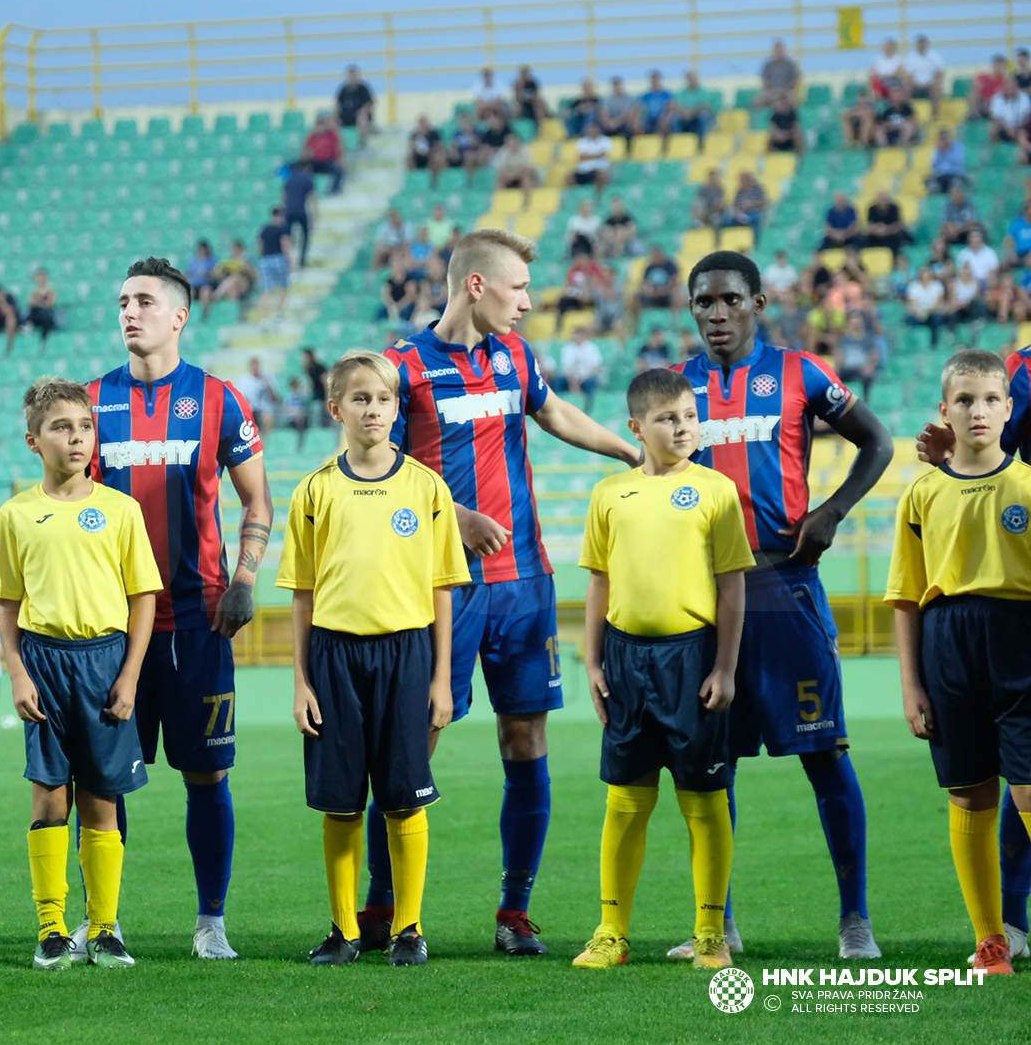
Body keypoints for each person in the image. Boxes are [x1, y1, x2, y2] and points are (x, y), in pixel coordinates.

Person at [382, 228, 642, 957]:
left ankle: (515, 911)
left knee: (526, 739)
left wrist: (628, 449)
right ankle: (385, 906)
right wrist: (453, 515)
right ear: (475, 285)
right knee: (415, 744)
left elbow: (552, 410)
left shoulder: (516, 356)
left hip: (525, 582)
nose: (528, 302)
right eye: (518, 288)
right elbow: (380, 460)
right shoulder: (402, 366)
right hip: (443, 587)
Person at [671, 250, 894, 960]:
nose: (715, 314)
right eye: (703, 302)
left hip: (788, 589)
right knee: (713, 766)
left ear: (758, 303)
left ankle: (855, 921)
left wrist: (832, 509)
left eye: (730, 300)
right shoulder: (678, 389)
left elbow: (878, 441)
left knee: (825, 754)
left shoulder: (799, 372)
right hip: (706, 599)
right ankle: (718, 924)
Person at [85, 257, 274, 960]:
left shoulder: (219, 400)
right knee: (104, 779)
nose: (128, 311)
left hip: (198, 622)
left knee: (206, 776)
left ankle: (211, 921)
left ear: (178, 315)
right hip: (110, 627)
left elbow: (257, 498)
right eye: (122, 300)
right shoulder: (89, 401)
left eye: (142, 300)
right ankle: (104, 919)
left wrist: (246, 577)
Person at [279, 349, 468, 968]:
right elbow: (303, 594)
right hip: (334, 658)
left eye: (384, 399)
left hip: (408, 654)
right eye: (360, 399)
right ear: (336, 408)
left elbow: (442, 587)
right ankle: (344, 930)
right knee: (340, 799)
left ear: (397, 409)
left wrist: (441, 679)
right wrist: (302, 680)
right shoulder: (314, 491)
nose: (374, 409)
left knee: (404, 797)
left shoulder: (426, 487)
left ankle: (409, 928)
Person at [572, 368, 754, 971]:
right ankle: (611, 931)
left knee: (705, 800)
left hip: (693, 657)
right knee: (625, 801)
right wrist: (592, 658)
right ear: (636, 428)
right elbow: (599, 582)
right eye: (668, 419)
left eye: (689, 416)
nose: (683, 428)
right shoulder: (609, 494)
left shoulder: (715, 490)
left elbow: (732, 589)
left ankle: (709, 934)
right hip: (625, 661)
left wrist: (725, 668)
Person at [0, 378, 161, 972]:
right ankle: (52, 928)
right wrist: (17, 673)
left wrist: (131, 675)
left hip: (105, 661)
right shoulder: (16, 514)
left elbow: (143, 599)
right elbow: (6, 603)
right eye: (61, 428)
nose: (76, 438)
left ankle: (105, 929)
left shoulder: (120, 509)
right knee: (49, 795)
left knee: (102, 801)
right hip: (43, 661)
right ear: (34, 440)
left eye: (84, 427)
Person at [889, 348, 1031, 976]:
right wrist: (910, 686)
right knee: (970, 796)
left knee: (1028, 791)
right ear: (944, 411)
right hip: (947, 644)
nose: (978, 411)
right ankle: (990, 940)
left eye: (991, 399)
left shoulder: (1027, 485)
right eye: (965, 400)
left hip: (1020, 640)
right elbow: (905, 598)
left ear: (1009, 409)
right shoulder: (921, 494)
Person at [836, 311, 887, 401]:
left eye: (857, 318)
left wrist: (870, 365)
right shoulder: (844, 339)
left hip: (862, 369)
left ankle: (866, 401)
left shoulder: (868, 339)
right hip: (847, 369)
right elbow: (839, 356)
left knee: (867, 376)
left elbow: (875, 356)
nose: (855, 321)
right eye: (853, 318)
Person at [257, 207, 293, 315]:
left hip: (265, 260)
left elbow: (260, 246)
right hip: (278, 259)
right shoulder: (282, 228)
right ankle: (279, 312)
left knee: (267, 291)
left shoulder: (264, 229)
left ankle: (264, 317)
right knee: (285, 288)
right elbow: (285, 244)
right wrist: (290, 262)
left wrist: (263, 257)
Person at [283, 160, 318, 268]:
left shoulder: (289, 179)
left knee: (287, 236)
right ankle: (302, 260)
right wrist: (315, 216)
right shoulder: (307, 180)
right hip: (301, 211)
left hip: (289, 211)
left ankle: (288, 259)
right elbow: (312, 199)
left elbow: (284, 197)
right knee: (305, 236)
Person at [561, 326, 603, 413]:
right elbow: (567, 367)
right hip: (573, 377)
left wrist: (583, 377)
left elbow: (595, 367)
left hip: (588, 376)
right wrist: (575, 378)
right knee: (558, 380)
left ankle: (588, 406)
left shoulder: (592, 348)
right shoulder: (568, 348)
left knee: (590, 382)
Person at [209, 242, 256, 318]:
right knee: (233, 290)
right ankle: (230, 316)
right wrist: (220, 268)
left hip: (245, 285)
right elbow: (214, 276)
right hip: (233, 286)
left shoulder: (248, 260)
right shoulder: (229, 261)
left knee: (235, 277)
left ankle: (216, 295)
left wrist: (246, 266)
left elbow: (256, 277)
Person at [906, 264, 948, 347]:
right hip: (918, 313)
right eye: (923, 277)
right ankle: (914, 345)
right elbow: (912, 304)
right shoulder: (913, 286)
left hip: (932, 312)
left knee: (937, 317)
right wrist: (919, 313)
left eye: (928, 277)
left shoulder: (937, 286)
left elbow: (940, 303)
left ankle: (934, 343)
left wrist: (929, 311)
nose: (925, 280)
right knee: (909, 320)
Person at [237, 356, 280, 437]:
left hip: (265, 410)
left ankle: (265, 442)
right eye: (252, 365)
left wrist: (269, 387)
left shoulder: (268, 378)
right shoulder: (243, 381)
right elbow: (240, 400)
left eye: (256, 365)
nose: (255, 368)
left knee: (267, 417)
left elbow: (276, 398)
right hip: (250, 410)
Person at [303, 113, 346, 193]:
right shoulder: (313, 136)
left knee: (339, 170)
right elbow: (306, 150)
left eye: (323, 123)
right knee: (300, 168)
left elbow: (339, 148)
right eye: (319, 123)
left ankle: (334, 191)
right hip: (315, 161)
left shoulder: (332, 135)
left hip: (328, 162)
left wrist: (339, 160)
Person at [635, 246, 681, 318]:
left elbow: (675, 281)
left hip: (667, 293)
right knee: (637, 296)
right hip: (653, 294)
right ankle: (642, 320)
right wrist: (649, 291)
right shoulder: (649, 268)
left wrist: (664, 290)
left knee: (677, 295)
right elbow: (644, 283)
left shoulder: (670, 266)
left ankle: (675, 319)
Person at [865, 190, 915, 255]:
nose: (882, 201)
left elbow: (898, 224)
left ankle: (896, 256)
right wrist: (877, 230)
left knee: (898, 237)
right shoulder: (872, 208)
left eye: (884, 199)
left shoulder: (894, 208)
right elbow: (869, 225)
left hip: (891, 232)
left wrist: (886, 230)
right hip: (877, 234)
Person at [492, 133, 537, 204]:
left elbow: (529, 168)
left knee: (526, 179)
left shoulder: (526, 150)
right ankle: (499, 203)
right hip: (510, 177)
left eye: (514, 143)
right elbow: (500, 169)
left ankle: (526, 202)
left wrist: (514, 176)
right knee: (500, 179)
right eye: (510, 144)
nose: (513, 146)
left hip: (522, 176)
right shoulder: (503, 152)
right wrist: (508, 176)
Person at [336, 66, 375, 145]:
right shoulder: (344, 89)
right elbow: (338, 103)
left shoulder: (363, 88)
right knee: (333, 119)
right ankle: (337, 143)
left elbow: (369, 103)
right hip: (346, 115)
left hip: (359, 115)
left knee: (362, 117)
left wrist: (363, 110)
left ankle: (362, 141)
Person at [726, 172, 770, 242]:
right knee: (728, 220)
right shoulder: (739, 191)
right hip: (742, 213)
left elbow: (763, 202)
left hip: (755, 211)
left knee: (757, 219)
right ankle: (733, 241)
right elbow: (735, 205)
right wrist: (738, 213)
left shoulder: (758, 189)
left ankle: (756, 241)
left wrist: (751, 204)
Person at [406, 117, 447, 189]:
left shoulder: (434, 134)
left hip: (431, 154)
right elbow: (413, 148)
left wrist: (429, 152)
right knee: (409, 158)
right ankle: (415, 180)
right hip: (419, 156)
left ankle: (434, 182)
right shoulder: (415, 135)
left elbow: (439, 146)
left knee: (437, 158)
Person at [573, 120, 613, 194]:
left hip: (599, 168)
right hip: (585, 169)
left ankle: (599, 197)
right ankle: (578, 195)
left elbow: (603, 155)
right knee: (570, 177)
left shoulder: (606, 140)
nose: (590, 130)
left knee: (602, 175)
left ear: (597, 129)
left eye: (592, 128)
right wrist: (596, 155)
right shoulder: (583, 141)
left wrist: (588, 156)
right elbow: (581, 157)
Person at [989, 80, 1031, 148]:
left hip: (1020, 126)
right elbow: (995, 117)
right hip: (1003, 127)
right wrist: (1007, 128)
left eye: (1012, 86)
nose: (1009, 89)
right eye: (1007, 86)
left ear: (1016, 87)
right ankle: (995, 150)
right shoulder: (997, 98)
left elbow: (1028, 115)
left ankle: (1022, 152)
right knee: (993, 128)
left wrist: (1017, 127)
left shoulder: (1024, 97)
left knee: (1024, 132)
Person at [672, 71, 714, 139]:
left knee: (704, 116)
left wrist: (691, 113)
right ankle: (678, 140)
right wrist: (685, 113)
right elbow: (676, 105)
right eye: (689, 79)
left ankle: (702, 141)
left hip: (697, 116)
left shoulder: (703, 91)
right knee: (675, 118)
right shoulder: (682, 92)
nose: (691, 81)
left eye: (692, 78)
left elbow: (705, 106)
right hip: (684, 116)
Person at [758, 39, 801, 106]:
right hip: (771, 92)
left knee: (792, 100)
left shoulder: (790, 65)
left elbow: (794, 81)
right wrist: (771, 91)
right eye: (776, 48)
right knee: (758, 101)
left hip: (786, 91)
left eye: (780, 48)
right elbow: (765, 81)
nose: (778, 51)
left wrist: (784, 91)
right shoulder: (768, 65)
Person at [904, 34, 946, 100]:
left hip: (930, 85)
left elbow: (939, 73)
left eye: (923, 43)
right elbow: (909, 75)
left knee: (938, 90)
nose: (922, 45)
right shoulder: (911, 57)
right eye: (920, 43)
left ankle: (936, 110)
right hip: (915, 85)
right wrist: (916, 84)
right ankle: (907, 109)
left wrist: (933, 83)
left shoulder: (935, 57)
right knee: (905, 89)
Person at [377, 255, 416, 326]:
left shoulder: (409, 280)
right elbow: (386, 295)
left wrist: (399, 306)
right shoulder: (389, 281)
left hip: (405, 305)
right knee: (380, 310)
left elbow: (410, 296)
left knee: (407, 311)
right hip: (393, 305)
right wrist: (392, 306)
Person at [927, 128, 968, 194]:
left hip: (955, 174)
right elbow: (934, 165)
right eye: (942, 138)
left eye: (945, 138)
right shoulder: (938, 149)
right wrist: (941, 152)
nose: (944, 140)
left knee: (955, 185)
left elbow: (958, 160)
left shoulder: (959, 146)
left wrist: (946, 151)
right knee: (932, 186)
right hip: (941, 176)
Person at [876, 83, 917, 147]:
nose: (895, 95)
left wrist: (899, 125)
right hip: (890, 130)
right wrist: (890, 125)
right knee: (879, 130)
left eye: (897, 93)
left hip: (902, 129)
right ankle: (884, 147)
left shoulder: (906, 108)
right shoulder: (887, 109)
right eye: (894, 93)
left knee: (908, 127)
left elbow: (912, 120)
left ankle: (902, 146)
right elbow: (882, 122)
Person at [971, 55, 1012, 119]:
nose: (1000, 67)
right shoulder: (983, 76)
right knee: (974, 93)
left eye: (1002, 65)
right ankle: (975, 114)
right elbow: (976, 89)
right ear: (994, 64)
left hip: (994, 103)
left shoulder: (1003, 80)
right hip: (982, 102)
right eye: (998, 64)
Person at [638, 70, 677, 136]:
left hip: (662, 118)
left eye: (656, 79)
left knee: (665, 122)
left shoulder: (667, 94)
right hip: (649, 119)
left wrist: (665, 118)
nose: (654, 81)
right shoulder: (646, 96)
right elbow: (640, 108)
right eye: (653, 79)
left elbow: (671, 109)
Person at [27, 268, 60, 344]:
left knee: (45, 315)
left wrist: (39, 301)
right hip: (36, 315)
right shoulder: (34, 292)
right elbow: (32, 304)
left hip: (48, 315)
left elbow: (50, 304)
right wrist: (42, 301)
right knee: (36, 311)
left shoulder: (51, 291)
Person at [186, 241, 218, 312]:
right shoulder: (193, 260)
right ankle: (190, 313)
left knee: (205, 292)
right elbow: (187, 272)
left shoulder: (212, 260)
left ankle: (204, 313)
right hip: (194, 285)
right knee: (188, 291)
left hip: (206, 285)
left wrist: (206, 274)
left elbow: (215, 275)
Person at [282, 377, 310, 451]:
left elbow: (304, 407)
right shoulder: (288, 396)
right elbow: (286, 409)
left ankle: (301, 442)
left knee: (303, 420)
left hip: (300, 417)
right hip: (291, 418)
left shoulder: (301, 397)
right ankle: (297, 443)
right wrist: (294, 413)